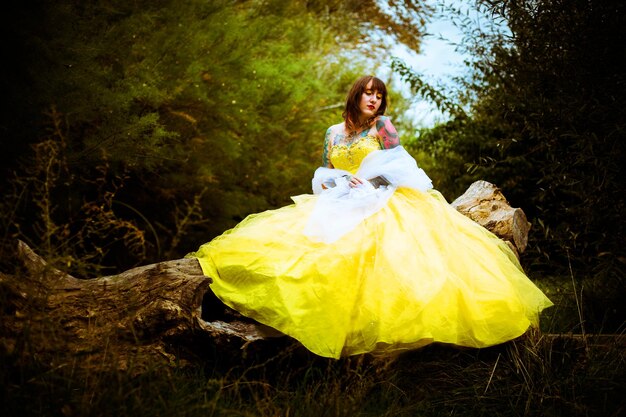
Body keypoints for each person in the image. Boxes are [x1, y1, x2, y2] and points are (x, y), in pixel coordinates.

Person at [190, 75, 553, 359]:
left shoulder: (384, 126)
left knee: (390, 263)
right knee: (306, 254)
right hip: (341, 198)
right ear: (355, 96)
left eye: (379, 95)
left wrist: (371, 179)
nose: (374, 99)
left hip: (383, 198)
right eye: (368, 93)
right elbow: (324, 170)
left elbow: (402, 165)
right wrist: (337, 182)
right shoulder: (332, 132)